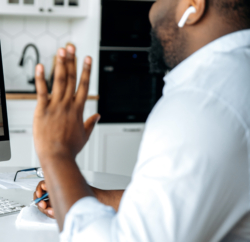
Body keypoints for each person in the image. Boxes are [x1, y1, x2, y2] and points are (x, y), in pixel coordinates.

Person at [32, 0, 250, 241]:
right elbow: (177, 200)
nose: (150, 11)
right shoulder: (236, 76)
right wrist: (88, 195)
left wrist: (56, 153)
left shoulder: (202, 103)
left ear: (193, 5)